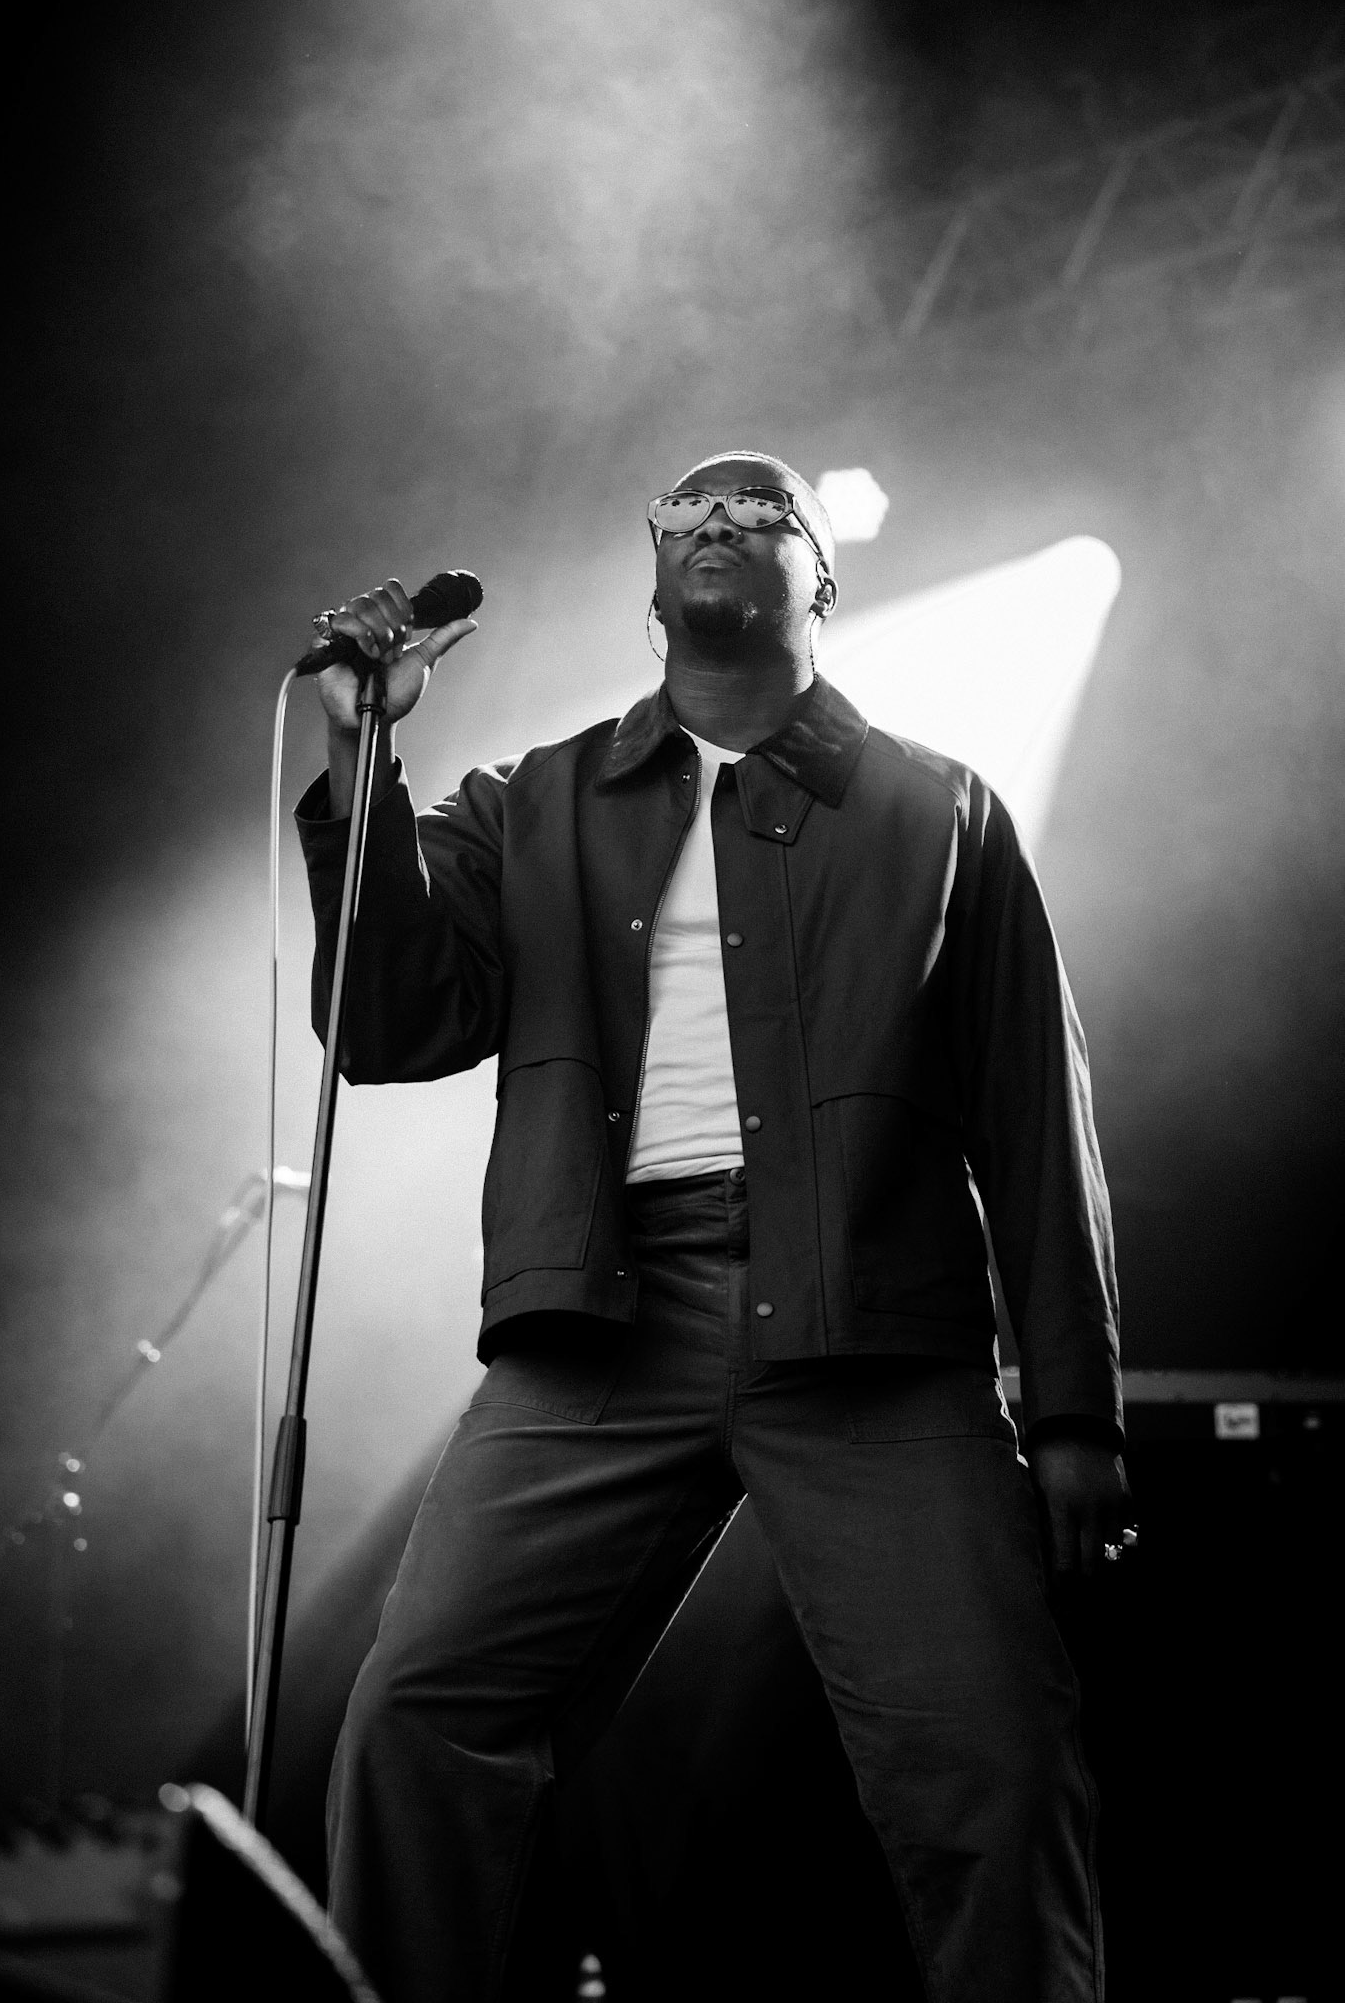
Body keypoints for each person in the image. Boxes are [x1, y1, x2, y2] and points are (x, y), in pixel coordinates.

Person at [297, 449, 1129, 2003]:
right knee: (418, 1719)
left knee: (994, 1767)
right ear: (652, 586)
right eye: (687, 517)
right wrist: (363, 768)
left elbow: (1031, 1112)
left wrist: (1072, 1412)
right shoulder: (534, 801)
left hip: (871, 1325)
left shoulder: (938, 809)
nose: (720, 526)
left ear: (825, 576)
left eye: (762, 515)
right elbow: (396, 1019)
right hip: (603, 1321)